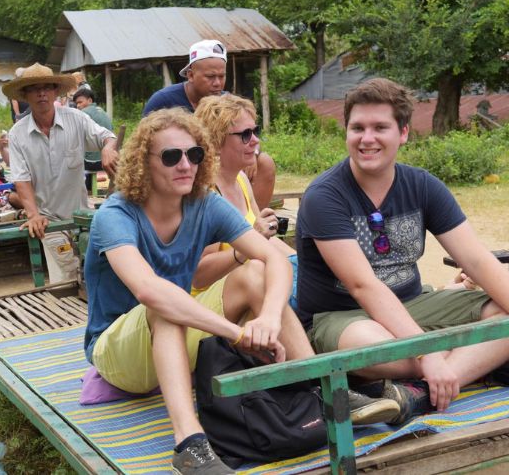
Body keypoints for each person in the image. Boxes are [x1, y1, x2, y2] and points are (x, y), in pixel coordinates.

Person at [84, 108, 399, 474]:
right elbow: (150, 292)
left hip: (173, 342)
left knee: (253, 274)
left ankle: (319, 391)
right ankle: (190, 444)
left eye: (194, 154)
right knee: (165, 304)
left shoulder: (203, 204)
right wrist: (237, 334)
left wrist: (266, 316)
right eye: (172, 156)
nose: (185, 165)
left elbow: (273, 258)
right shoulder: (117, 214)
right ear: (143, 162)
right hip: (116, 352)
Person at [295, 78, 509, 425]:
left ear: (403, 133)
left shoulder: (422, 185)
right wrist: (426, 350)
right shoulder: (324, 196)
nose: (367, 138)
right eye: (357, 127)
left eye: (380, 127)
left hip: (413, 303)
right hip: (342, 317)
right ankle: (472, 361)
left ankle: (416, 394)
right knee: (365, 344)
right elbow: (363, 286)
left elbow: (476, 260)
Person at [2, 63, 119, 283]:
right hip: (49, 220)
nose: (42, 93)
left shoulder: (76, 118)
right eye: (34, 88)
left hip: (81, 216)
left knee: (93, 273)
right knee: (65, 276)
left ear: (56, 91)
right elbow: (21, 179)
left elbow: (108, 137)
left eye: (47, 87)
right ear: (25, 95)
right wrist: (33, 215)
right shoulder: (18, 133)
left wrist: (107, 149)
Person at [142, 39, 277, 209]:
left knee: (265, 163)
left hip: (222, 166)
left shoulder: (227, 103)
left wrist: (254, 153)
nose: (218, 83)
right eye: (210, 77)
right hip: (181, 165)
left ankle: (253, 220)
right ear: (190, 75)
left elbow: (249, 134)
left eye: (222, 76)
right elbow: (143, 146)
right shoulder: (163, 101)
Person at [192, 94, 298, 308]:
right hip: (216, 298)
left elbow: (264, 239)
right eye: (246, 134)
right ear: (216, 142)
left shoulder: (240, 179)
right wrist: (247, 248)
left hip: (252, 280)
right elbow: (200, 275)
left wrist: (299, 260)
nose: (255, 140)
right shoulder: (205, 194)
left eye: (255, 131)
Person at [73, 88, 113, 191]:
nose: (78, 106)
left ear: (90, 101)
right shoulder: (103, 111)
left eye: (80, 102)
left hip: (93, 162)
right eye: (76, 103)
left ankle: (83, 189)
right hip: (108, 159)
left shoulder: (83, 114)